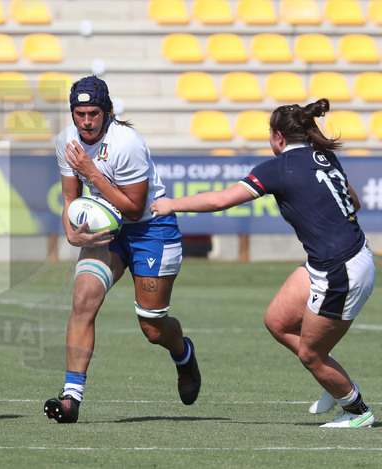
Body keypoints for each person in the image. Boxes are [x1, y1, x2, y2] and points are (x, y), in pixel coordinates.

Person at [150, 99, 375, 428]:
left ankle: (357, 411)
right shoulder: (324, 156)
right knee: (277, 322)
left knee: (311, 354)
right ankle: (332, 380)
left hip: (342, 269)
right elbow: (353, 200)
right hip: (335, 260)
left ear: (279, 137)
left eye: (270, 135)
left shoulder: (278, 168)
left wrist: (172, 204)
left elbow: (221, 200)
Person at [43, 76, 200, 424]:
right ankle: (71, 397)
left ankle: (183, 354)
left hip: (150, 230)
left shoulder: (127, 144)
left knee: (153, 328)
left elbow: (133, 209)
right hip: (107, 230)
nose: (86, 121)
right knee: (83, 300)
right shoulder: (67, 140)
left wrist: (92, 174)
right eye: (79, 113)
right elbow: (70, 197)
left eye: (93, 113)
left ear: (108, 112)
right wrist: (71, 232)